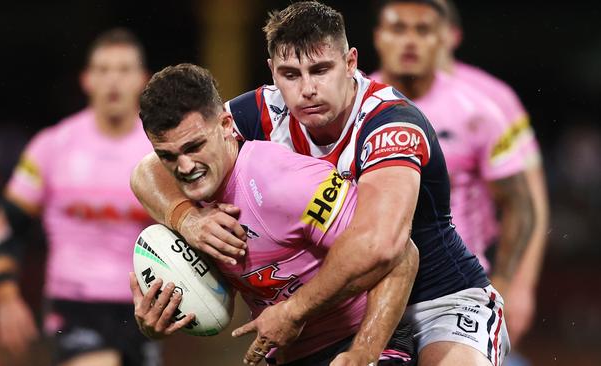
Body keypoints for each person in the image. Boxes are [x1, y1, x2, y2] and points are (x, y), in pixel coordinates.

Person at [130, 2, 508, 365]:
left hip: (439, 299)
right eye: (291, 75)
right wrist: (187, 221)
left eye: (321, 70)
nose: (307, 89)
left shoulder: (390, 124)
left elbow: (385, 246)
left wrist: (302, 315)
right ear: (273, 72)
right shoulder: (265, 110)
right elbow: (150, 169)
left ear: (350, 63)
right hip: (349, 305)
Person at [131, 63, 419, 365]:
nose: (185, 167)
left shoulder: (282, 183)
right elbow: (142, 172)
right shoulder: (188, 204)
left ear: (227, 125)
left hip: (359, 338)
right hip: (287, 354)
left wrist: (364, 351)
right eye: (168, 155)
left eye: (195, 147)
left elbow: (402, 255)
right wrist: (159, 320)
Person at [369, 0, 549, 353]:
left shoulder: (481, 109)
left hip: (457, 289)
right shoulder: (352, 105)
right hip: (370, 292)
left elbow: (523, 204)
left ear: (443, 39)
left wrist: (509, 283)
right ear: (378, 38)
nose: (410, 42)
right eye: (398, 29)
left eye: (422, 31)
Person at [0, 28, 159, 366]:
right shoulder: (52, 146)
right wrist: (5, 296)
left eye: (124, 70)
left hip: (144, 307)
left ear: (142, 79)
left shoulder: (161, 152)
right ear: (86, 80)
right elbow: (6, 223)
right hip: (74, 303)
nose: (113, 81)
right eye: (103, 70)